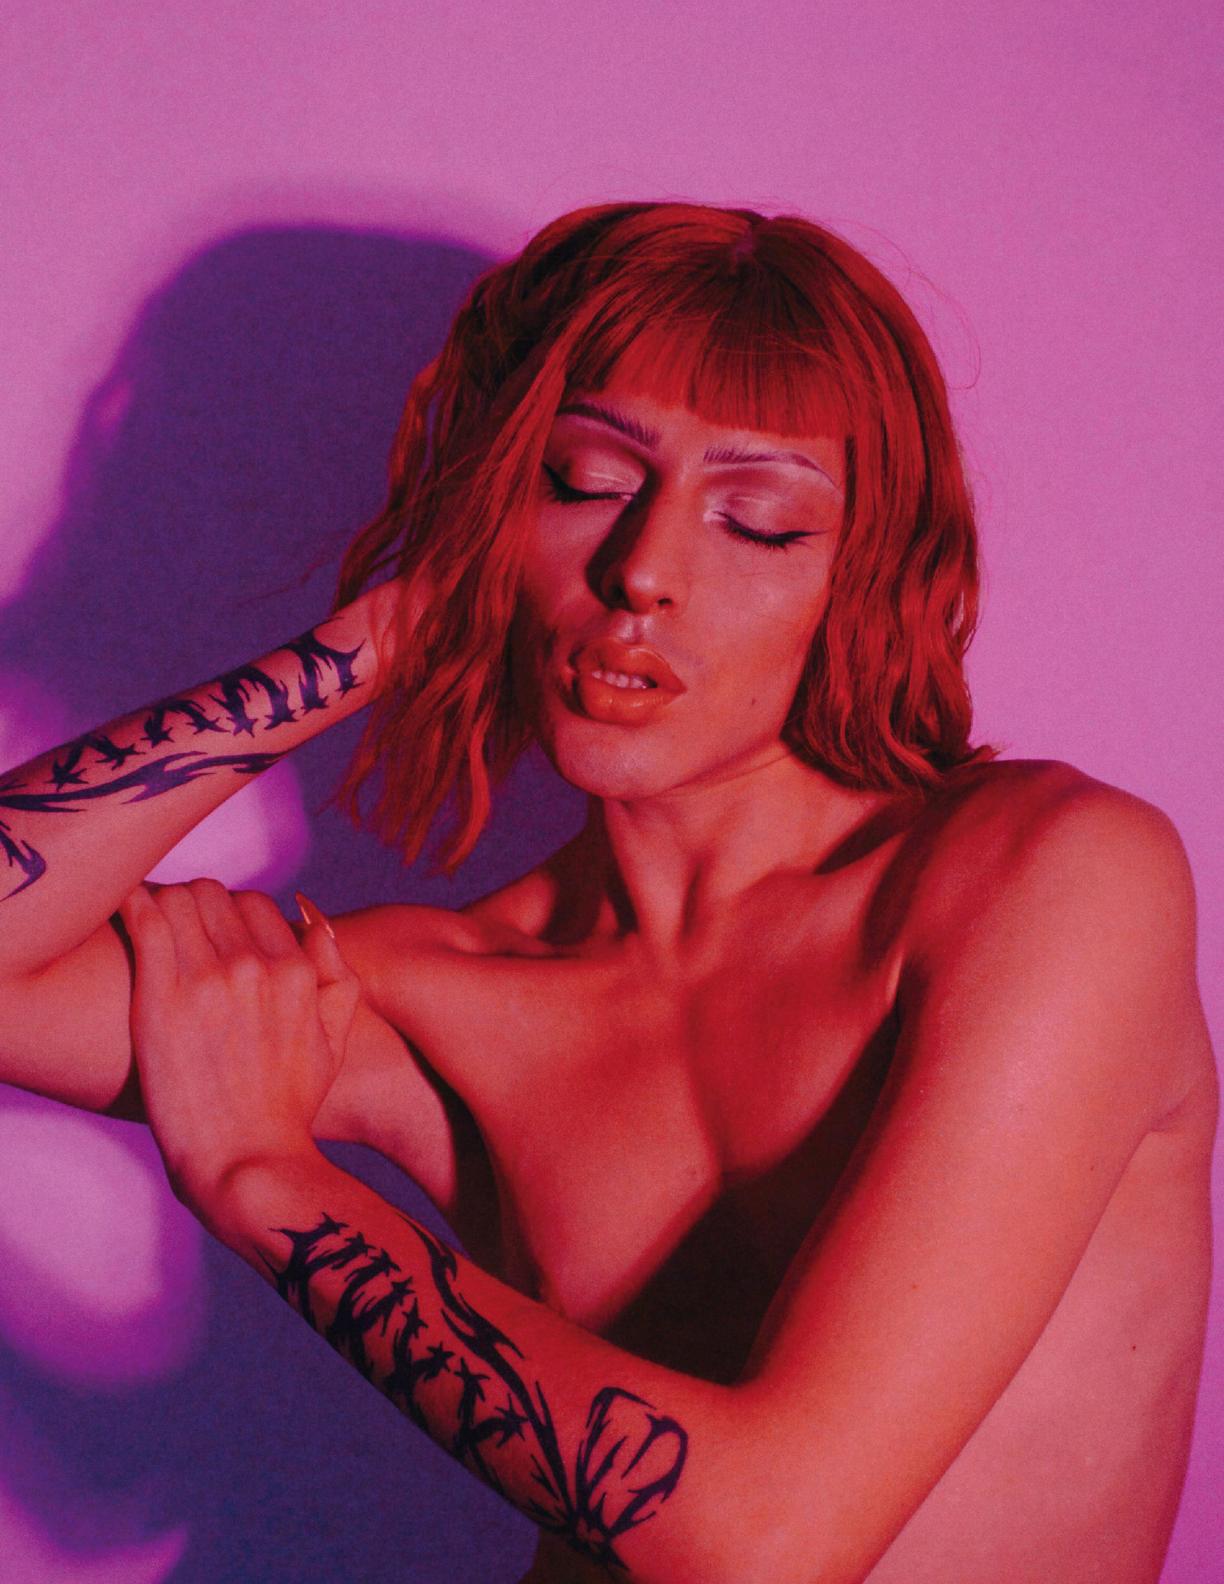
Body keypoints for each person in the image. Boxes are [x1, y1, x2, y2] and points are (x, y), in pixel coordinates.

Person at [0, 201, 1215, 1584]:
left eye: (757, 522)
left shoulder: (1053, 878)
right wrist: (378, 637)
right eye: (582, 481)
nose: (643, 569)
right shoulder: (433, 990)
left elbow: (768, 1543)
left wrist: (265, 1181)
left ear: (862, 575)